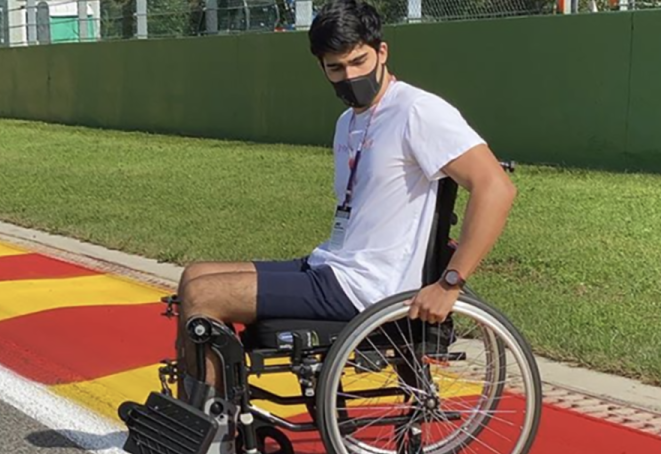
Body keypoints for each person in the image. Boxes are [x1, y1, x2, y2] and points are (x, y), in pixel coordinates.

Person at [173, 0, 517, 398]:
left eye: (358, 61)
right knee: (193, 277)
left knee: (204, 296)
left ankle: (210, 438)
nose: (349, 76)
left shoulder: (417, 111)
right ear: (321, 67)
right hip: (334, 266)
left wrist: (450, 282)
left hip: (368, 287)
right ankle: (192, 422)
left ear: (381, 52)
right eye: (335, 68)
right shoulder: (348, 121)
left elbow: (496, 187)